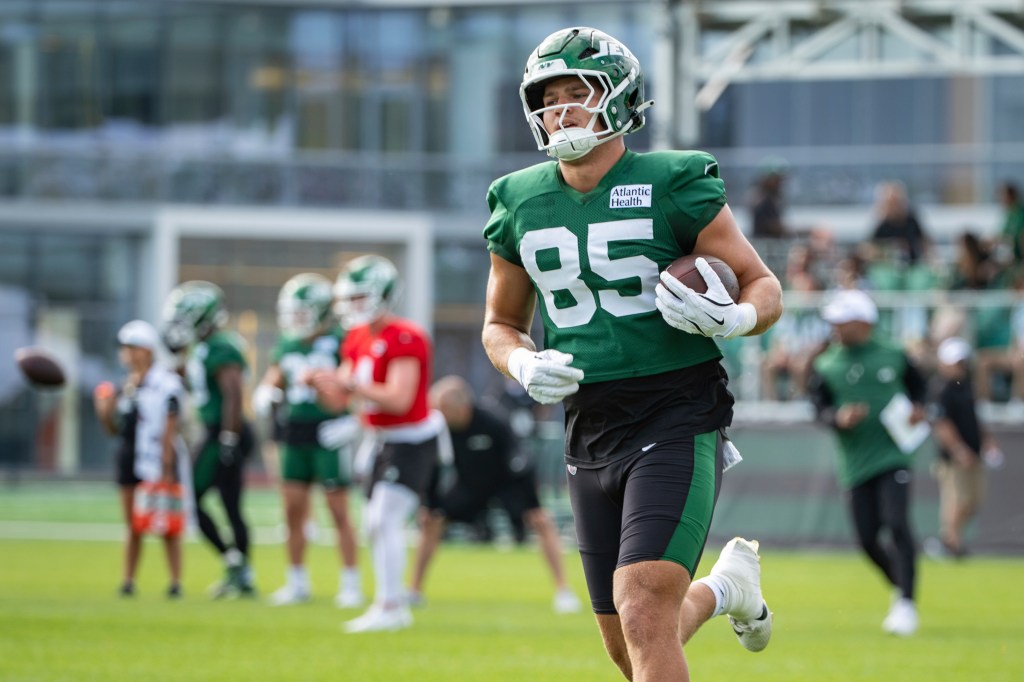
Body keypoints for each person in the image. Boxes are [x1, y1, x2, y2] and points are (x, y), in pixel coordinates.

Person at [481, 27, 784, 680]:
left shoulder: (675, 180)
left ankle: (717, 588)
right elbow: (499, 324)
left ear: (619, 99)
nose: (560, 110)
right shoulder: (517, 200)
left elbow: (765, 286)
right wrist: (523, 363)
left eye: (577, 93)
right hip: (587, 422)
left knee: (643, 604)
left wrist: (734, 316)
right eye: (548, 96)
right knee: (630, 643)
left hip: (675, 405)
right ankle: (726, 589)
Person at [308, 255, 441, 634]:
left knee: (384, 520)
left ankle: (391, 605)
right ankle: (389, 602)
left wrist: (348, 385)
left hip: (412, 439)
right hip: (379, 440)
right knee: (374, 523)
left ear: (383, 294)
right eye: (349, 298)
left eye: (360, 296)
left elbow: (400, 399)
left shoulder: (405, 336)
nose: (353, 306)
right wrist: (319, 384)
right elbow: (339, 400)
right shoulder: (356, 338)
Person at [408, 375, 582, 614]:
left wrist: (529, 501)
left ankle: (564, 591)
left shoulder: (492, 421)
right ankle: (413, 591)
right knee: (431, 520)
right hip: (469, 485)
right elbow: (433, 466)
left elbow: (519, 458)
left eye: (443, 410)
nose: (439, 416)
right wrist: (430, 503)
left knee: (541, 520)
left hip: (506, 482)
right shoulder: (440, 429)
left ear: (461, 407)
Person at [808, 288, 926, 636]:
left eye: (842, 322)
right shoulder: (826, 364)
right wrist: (837, 418)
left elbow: (921, 388)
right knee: (867, 539)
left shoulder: (895, 353)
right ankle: (901, 586)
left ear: (863, 322)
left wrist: (921, 408)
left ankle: (906, 602)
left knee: (897, 522)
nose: (835, 328)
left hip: (893, 454)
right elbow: (818, 409)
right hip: (855, 462)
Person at [253, 273, 364, 608]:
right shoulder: (287, 343)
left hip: (329, 428)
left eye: (302, 311)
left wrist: (354, 421)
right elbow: (275, 378)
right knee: (292, 509)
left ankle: (351, 583)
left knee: (337, 509)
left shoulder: (342, 339)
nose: (295, 319)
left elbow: (359, 382)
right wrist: (266, 391)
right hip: (294, 429)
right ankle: (297, 581)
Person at [161, 281, 256, 598]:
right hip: (217, 430)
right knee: (226, 505)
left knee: (198, 501)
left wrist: (229, 438)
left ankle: (238, 568)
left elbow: (232, 393)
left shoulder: (221, 346)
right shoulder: (202, 348)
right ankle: (238, 568)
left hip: (225, 431)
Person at [93, 320, 191, 598]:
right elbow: (114, 430)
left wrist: (167, 466)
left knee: (166, 523)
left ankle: (174, 582)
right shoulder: (124, 386)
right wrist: (104, 410)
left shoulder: (166, 383)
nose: (126, 353)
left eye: (131, 347)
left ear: (147, 350)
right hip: (128, 456)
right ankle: (128, 581)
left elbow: (171, 426)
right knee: (132, 524)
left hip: (157, 459)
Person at [927, 337, 1001, 558]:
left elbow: (975, 418)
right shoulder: (940, 388)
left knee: (975, 500)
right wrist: (958, 449)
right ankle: (950, 543)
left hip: (974, 453)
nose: (959, 366)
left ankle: (952, 540)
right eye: (955, 362)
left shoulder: (967, 385)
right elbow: (942, 424)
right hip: (954, 458)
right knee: (958, 499)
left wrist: (987, 442)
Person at [870, 180, 931, 266]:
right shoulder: (882, 225)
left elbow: (925, 243)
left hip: (913, 266)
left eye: (896, 202)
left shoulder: (911, 222)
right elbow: (870, 248)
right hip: (889, 267)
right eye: (891, 203)